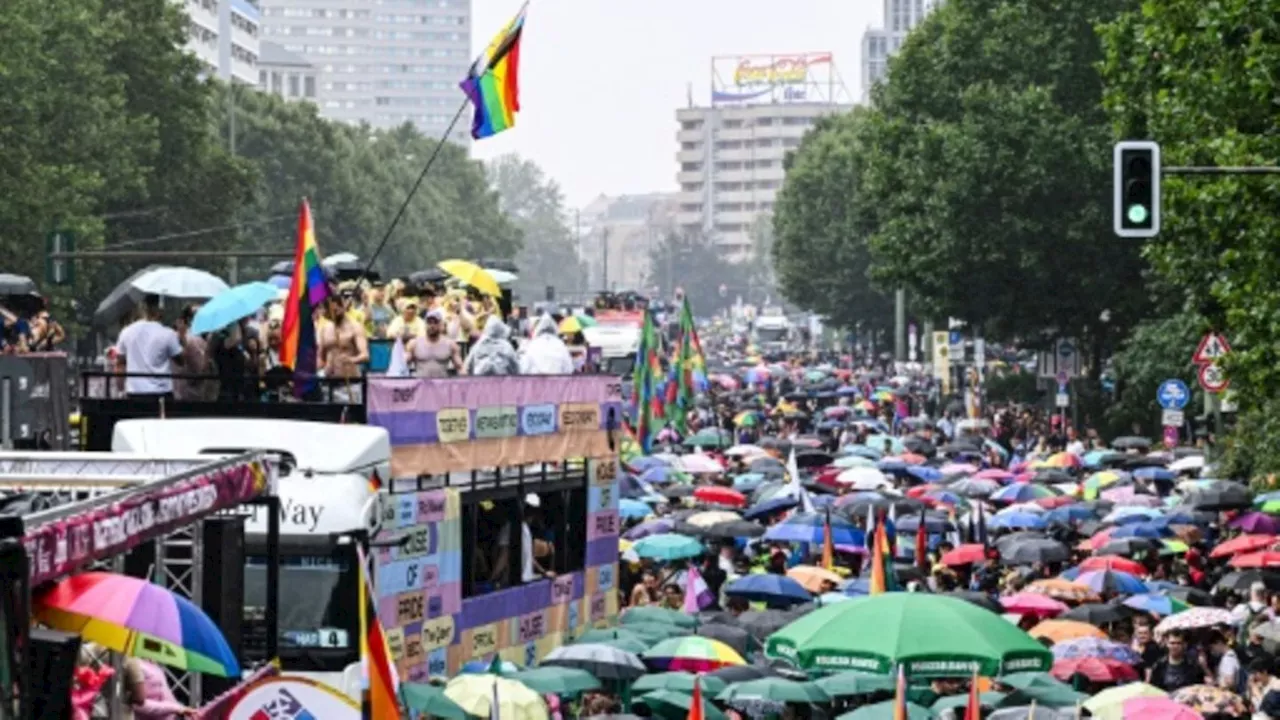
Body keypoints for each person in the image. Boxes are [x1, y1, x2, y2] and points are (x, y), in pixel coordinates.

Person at [113, 294, 185, 399]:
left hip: (134, 393)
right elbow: (181, 361)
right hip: (162, 394)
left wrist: (120, 390)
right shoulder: (168, 334)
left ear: (144, 307)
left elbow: (120, 364)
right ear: (160, 310)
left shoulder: (127, 332)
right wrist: (182, 338)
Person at [318, 293, 369, 401]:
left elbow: (365, 355)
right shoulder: (325, 328)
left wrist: (351, 359)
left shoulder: (355, 327)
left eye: (335, 311)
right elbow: (320, 357)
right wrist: (318, 371)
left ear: (342, 307)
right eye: (329, 313)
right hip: (329, 383)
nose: (333, 315)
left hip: (349, 384)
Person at [122, 657, 198, 718]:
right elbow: (138, 705)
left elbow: (165, 692)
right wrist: (176, 708)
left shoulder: (150, 661)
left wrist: (181, 709)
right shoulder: (133, 663)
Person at [408, 309, 461, 378]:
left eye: (435, 322)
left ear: (440, 325)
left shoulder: (450, 344)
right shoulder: (414, 344)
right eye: (429, 322)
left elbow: (460, 368)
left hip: (441, 386)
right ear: (425, 324)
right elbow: (401, 366)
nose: (432, 325)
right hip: (421, 386)